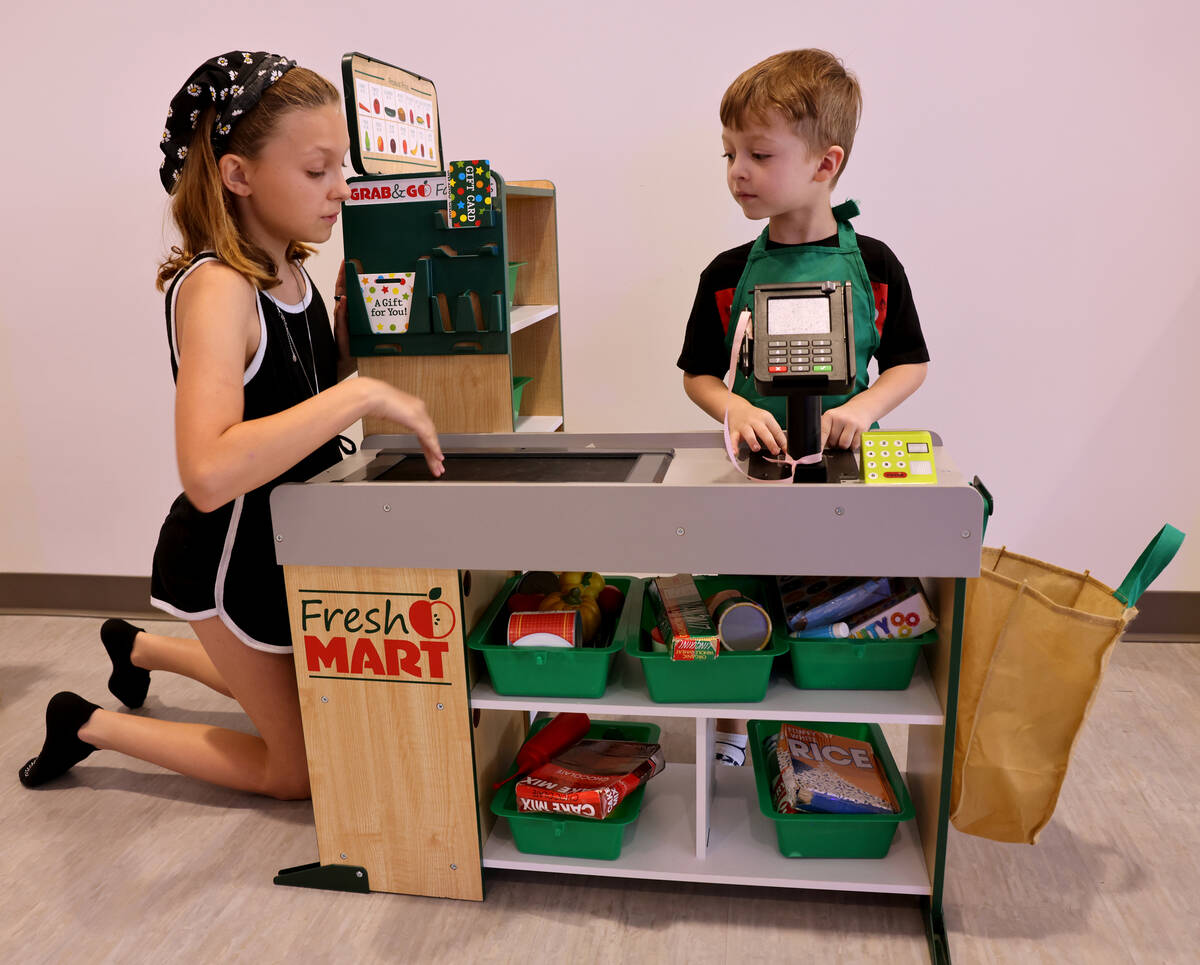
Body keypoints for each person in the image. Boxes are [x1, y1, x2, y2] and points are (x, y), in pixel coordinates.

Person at [19, 51, 444, 798]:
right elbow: (209, 472)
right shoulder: (217, 288)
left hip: (278, 546)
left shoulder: (293, 272)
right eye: (317, 171)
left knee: (305, 691)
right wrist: (355, 397)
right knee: (299, 769)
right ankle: (85, 721)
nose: (341, 189)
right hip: (222, 558)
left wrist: (342, 351)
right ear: (238, 174)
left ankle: (139, 646)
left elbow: (288, 400)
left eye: (340, 168)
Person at [677, 49, 929, 763]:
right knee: (744, 593)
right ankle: (731, 723)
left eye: (758, 153)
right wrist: (732, 408)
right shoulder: (726, 276)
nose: (736, 172)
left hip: (846, 476)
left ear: (826, 164)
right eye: (728, 154)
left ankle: (825, 739)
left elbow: (910, 361)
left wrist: (868, 407)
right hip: (754, 474)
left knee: (836, 605)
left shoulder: (876, 266)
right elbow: (697, 374)